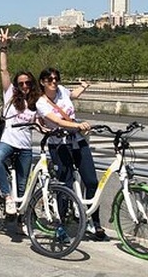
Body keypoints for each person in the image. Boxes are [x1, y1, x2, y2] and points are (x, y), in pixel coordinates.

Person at [35, 68, 107, 241]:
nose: (54, 82)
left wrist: (84, 87)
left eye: (56, 79)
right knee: (64, 185)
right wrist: (78, 125)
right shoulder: (41, 102)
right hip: (59, 145)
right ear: (43, 82)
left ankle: (93, 221)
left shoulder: (61, 91)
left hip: (77, 142)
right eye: (50, 79)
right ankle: (61, 226)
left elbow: (72, 95)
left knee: (91, 181)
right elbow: (57, 121)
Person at [0, 28, 39, 220]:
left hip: (26, 146)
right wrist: (3, 47)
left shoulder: (36, 102)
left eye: (27, 83)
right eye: (21, 83)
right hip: (8, 141)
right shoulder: (10, 94)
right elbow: (3, 70)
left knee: (23, 186)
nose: (24, 86)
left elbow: (44, 119)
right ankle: (6, 194)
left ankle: (22, 221)